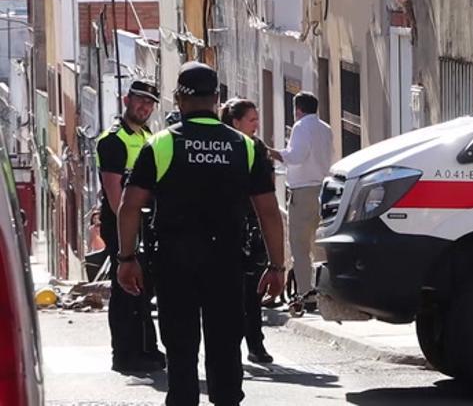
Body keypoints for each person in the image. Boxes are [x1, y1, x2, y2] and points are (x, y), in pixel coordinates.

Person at [116, 62, 286, 406]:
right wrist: (277, 266)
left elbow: (129, 205)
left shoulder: (161, 144)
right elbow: (268, 211)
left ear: (178, 99)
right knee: (225, 347)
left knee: (180, 352)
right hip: (226, 263)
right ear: (217, 99)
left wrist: (127, 258)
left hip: (174, 264)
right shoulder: (246, 147)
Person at [95, 79, 164, 373]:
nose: (144, 106)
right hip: (125, 226)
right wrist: (129, 233)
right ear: (126, 100)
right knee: (126, 291)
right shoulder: (114, 140)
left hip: (146, 224)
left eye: (150, 102)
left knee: (143, 289)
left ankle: (145, 347)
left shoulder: (148, 135)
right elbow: (114, 195)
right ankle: (124, 354)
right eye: (139, 100)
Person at [220, 98, 274, 364]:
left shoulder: (258, 148)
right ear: (236, 122)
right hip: (228, 229)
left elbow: (267, 194)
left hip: (252, 229)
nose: (256, 125)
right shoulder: (223, 148)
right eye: (251, 120)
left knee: (252, 292)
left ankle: (255, 344)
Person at [269, 91, 332, 312]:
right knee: (319, 246)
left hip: (302, 192)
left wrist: (271, 153)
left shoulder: (300, 126)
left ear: (298, 109)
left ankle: (306, 293)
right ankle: (324, 290)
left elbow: (295, 156)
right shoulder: (325, 128)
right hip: (323, 191)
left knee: (300, 245)